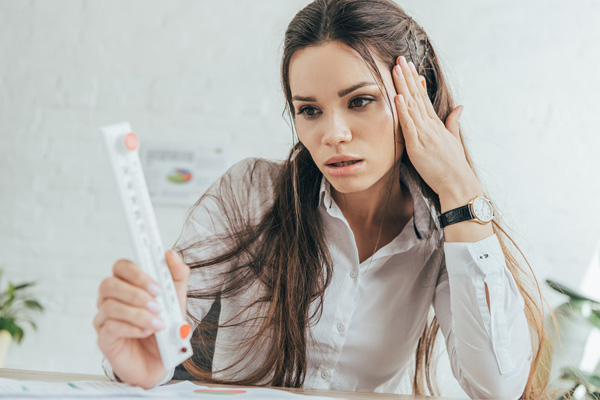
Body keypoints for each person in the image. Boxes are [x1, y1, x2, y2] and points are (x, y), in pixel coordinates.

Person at [93, 0, 551, 398]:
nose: (333, 134)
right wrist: (144, 364)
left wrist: (460, 191)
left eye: (360, 101)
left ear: (418, 99)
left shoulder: (440, 234)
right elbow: (160, 338)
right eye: (309, 110)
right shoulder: (251, 193)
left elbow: (497, 386)